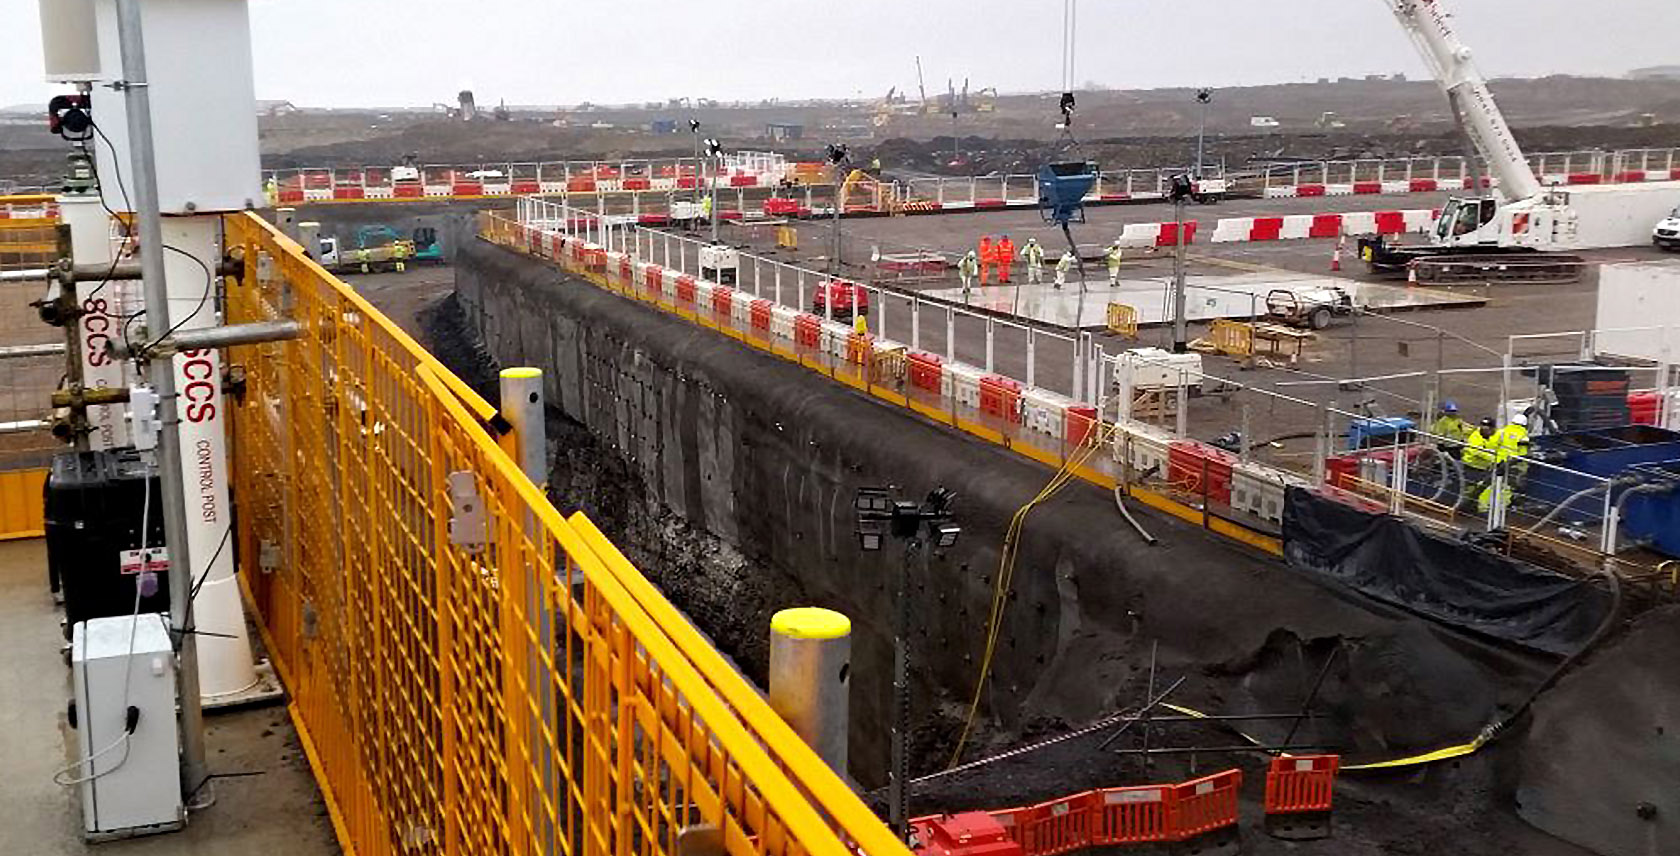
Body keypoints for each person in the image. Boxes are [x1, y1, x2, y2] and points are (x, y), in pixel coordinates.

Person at [1459, 418, 1499, 511]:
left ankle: (1474, 507)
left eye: (1488, 428)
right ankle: (1463, 508)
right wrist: (1493, 458)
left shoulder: (1496, 435)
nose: (1485, 429)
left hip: (1485, 467)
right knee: (1470, 489)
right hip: (1472, 466)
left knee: (1482, 489)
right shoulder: (1475, 437)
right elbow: (1476, 451)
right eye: (1483, 427)